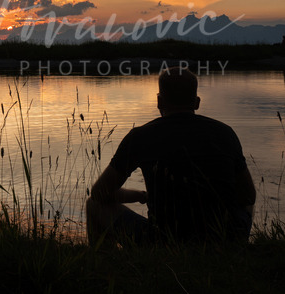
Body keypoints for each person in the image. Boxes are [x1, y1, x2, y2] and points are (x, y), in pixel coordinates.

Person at [86, 68, 255, 246]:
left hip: (163, 241)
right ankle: (236, 248)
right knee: (246, 204)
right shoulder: (225, 133)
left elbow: (99, 193)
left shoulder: (140, 137)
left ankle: (107, 266)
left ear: (159, 101)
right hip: (223, 239)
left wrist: (140, 195)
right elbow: (248, 197)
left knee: (94, 205)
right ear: (197, 102)